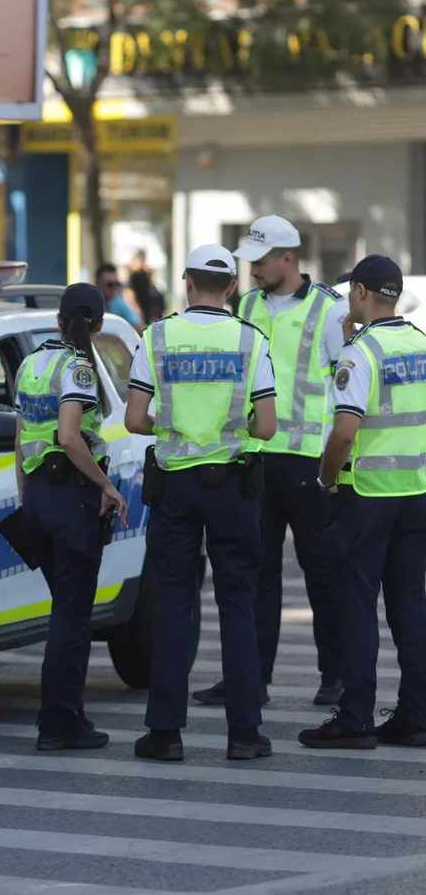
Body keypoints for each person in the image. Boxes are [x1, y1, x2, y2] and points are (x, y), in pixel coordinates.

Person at [125, 244, 277, 761]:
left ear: (187, 281)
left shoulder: (158, 336)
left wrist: (172, 425)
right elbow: (268, 425)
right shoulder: (251, 340)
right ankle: (245, 734)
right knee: (238, 604)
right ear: (231, 286)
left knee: (174, 603)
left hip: (176, 488)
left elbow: (133, 418)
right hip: (234, 486)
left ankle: (165, 734)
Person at [193, 216, 348, 708]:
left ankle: (336, 675)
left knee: (322, 570)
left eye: (260, 262)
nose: (253, 270)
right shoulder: (246, 304)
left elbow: (349, 388)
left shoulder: (330, 309)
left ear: (288, 258)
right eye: (249, 262)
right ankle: (249, 679)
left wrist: (339, 467)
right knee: (254, 571)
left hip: (309, 462)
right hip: (255, 457)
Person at [300, 254, 426, 749]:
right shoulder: (420, 343)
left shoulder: (360, 354)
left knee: (356, 607)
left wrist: (326, 478)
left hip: (366, 497)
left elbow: (344, 433)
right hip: (415, 494)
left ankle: (355, 719)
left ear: (358, 291)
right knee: (409, 606)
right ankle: (416, 715)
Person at [16, 283, 129, 750]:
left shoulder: (30, 363)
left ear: (59, 319)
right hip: (73, 499)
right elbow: (69, 435)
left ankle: (64, 714)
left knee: (63, 611)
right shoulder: (79, 368)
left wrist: (24, 498)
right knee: (72, 617)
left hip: (39, 498)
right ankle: (59, 720)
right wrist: (106, 486)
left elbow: (20, 438)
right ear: (98, 324)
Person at [95, 263, 143, 330]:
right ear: (98, 283)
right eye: (110, 284)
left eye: (116, 284)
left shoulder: (118, 302)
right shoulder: (90, 304)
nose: (114, 288)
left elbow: (140, 327)